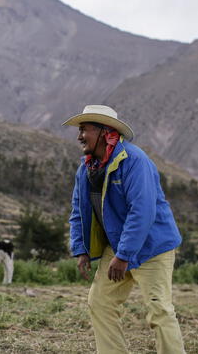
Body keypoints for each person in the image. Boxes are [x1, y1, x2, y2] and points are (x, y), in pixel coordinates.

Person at [63, 105, 185, 354]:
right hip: (119, 247)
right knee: (101, 302)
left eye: (84, 129)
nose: (79, 136)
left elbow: (142, 212)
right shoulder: (85, 169)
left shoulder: (135, 161)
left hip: (152, 247)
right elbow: (78, 211)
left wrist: (124, 255)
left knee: (159, 310)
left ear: (103, 132)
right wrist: (81, 250)